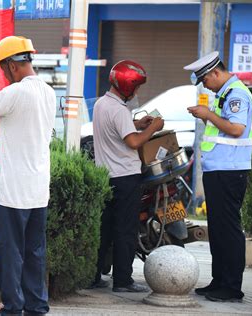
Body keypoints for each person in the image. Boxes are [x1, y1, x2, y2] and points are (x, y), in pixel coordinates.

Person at [0, 36, 55, 316]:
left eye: (2, 69)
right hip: (37, 188)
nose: (3, 75)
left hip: (12, 190)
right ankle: (36, 307)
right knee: (35, 253)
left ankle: (12, 309)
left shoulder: (16, 92)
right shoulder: (48, 91)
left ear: (10, 66)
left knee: (9, 254)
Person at [184, 51, 252, 302]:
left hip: (230, 171)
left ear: (216, 72)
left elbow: (236, 129)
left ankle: (232, 287)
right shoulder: (224, 94)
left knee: (229, 229)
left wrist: (207, 114)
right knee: (218, 229)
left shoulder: (236, 94)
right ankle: (219, 281)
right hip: (219, 170)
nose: (205, 84)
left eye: (205, 79)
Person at [89, 60, 164, 292]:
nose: (137, 92)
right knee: (125, 230)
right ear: (128, 86)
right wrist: (153, 127)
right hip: (125, 178)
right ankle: (123, 281)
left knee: (105, 229)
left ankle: (93, 276)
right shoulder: (119, 110)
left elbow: (118, 127)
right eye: (137, 87)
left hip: (106, 177)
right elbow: (133, 141)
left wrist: (138, 123)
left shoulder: (102, 104)